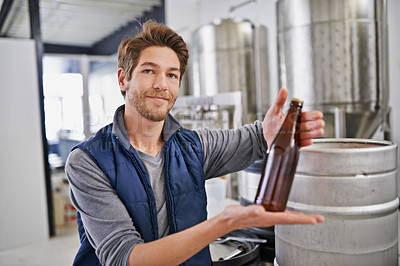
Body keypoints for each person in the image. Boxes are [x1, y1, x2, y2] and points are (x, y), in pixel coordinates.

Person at [65, 20, 325, 266]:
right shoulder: (88, 161)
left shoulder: (193, 147)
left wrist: (269, 133)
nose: (161, 85)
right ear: (123, 79)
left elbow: (251, 139)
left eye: (172, 75)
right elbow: (124, 257)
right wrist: (224, 223)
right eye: (148, 71)